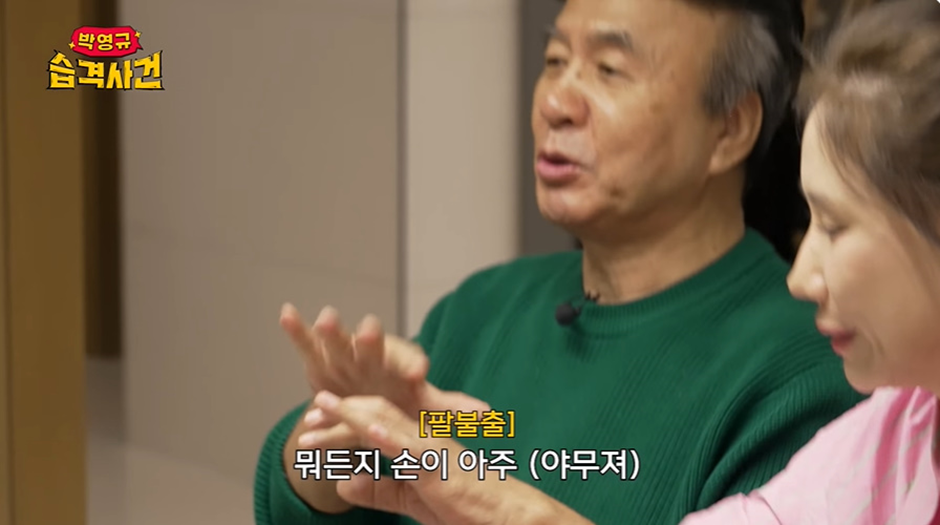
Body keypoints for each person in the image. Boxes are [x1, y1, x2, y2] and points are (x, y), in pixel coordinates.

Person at [283, 0, 940, 523]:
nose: (555, 102)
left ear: (730, 127)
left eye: (609, 70)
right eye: (554, 60)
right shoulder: (482, 308)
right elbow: (312, 488)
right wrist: (342, 443)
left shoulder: (814, 367)